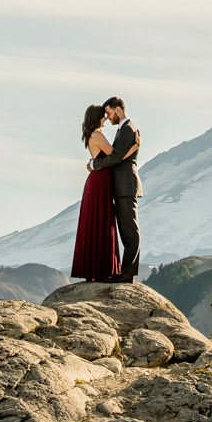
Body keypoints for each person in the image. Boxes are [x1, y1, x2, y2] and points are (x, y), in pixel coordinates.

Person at [88, 96, 142, 282]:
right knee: (125, 230)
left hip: (126, 185)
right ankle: (124, 271)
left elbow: (117, 156)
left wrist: (95, 164)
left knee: (129, 230)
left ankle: (127, 273)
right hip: (121, 186)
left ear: (118, 110)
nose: (108, 117)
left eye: (109, 113)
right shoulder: (123, 129)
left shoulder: (128, 128)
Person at [69, 103, 123, 281]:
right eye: (103, 115)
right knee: (102, 220)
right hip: (100, 182)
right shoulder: (98, 135)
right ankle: (102, 270)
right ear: (97, 117)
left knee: (95, 221)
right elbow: (114, 154)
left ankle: (93, 269)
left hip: (97, 181)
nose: (106, 118)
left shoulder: (92, 134)